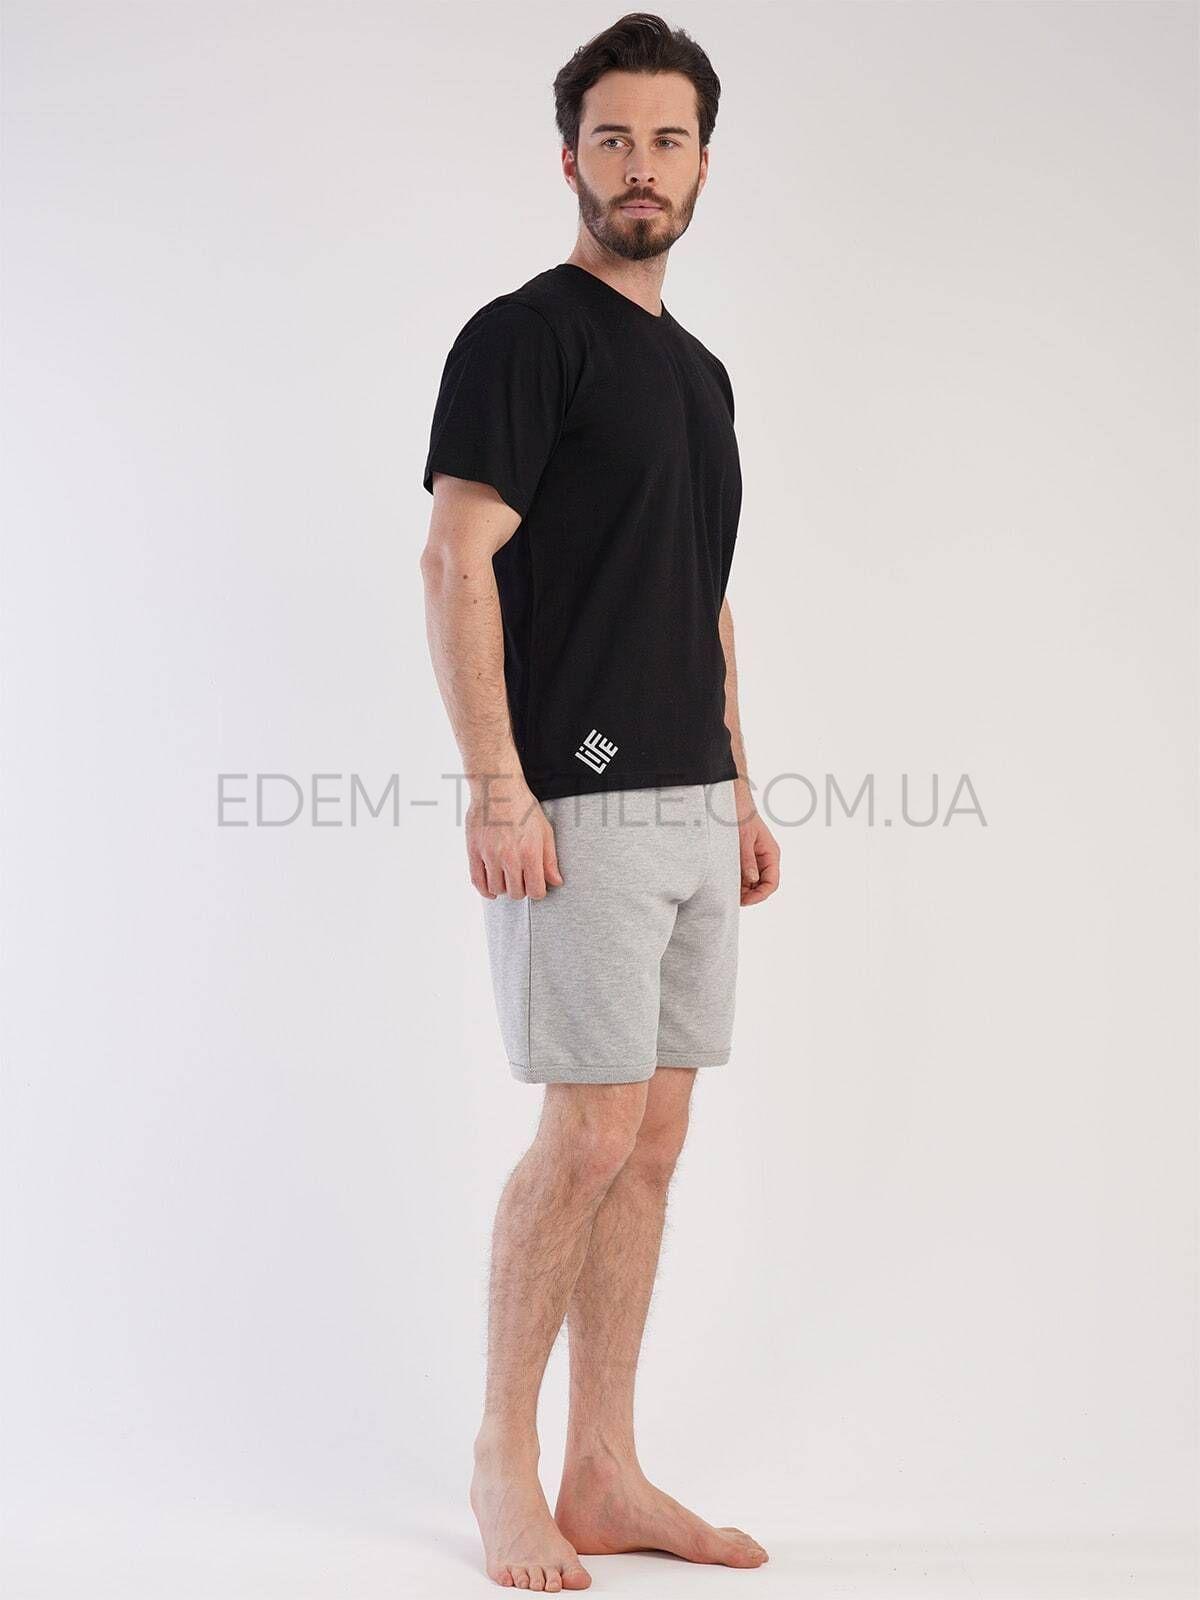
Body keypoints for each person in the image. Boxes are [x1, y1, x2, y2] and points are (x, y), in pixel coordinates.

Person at [419, 13, 780, 1591]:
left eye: (669, 139)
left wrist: (742, 784)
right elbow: (455, 559)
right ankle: (505, 1463)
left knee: (656, 1140)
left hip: (693, 800)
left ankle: (606, 1467)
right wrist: (500, 788)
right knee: (585, 1137)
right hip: (578, 798)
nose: (643, 166)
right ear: (570, 156)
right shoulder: (524, 336)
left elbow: (699, 596)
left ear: (703, 162)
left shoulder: (699, 374)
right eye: (615, 138)